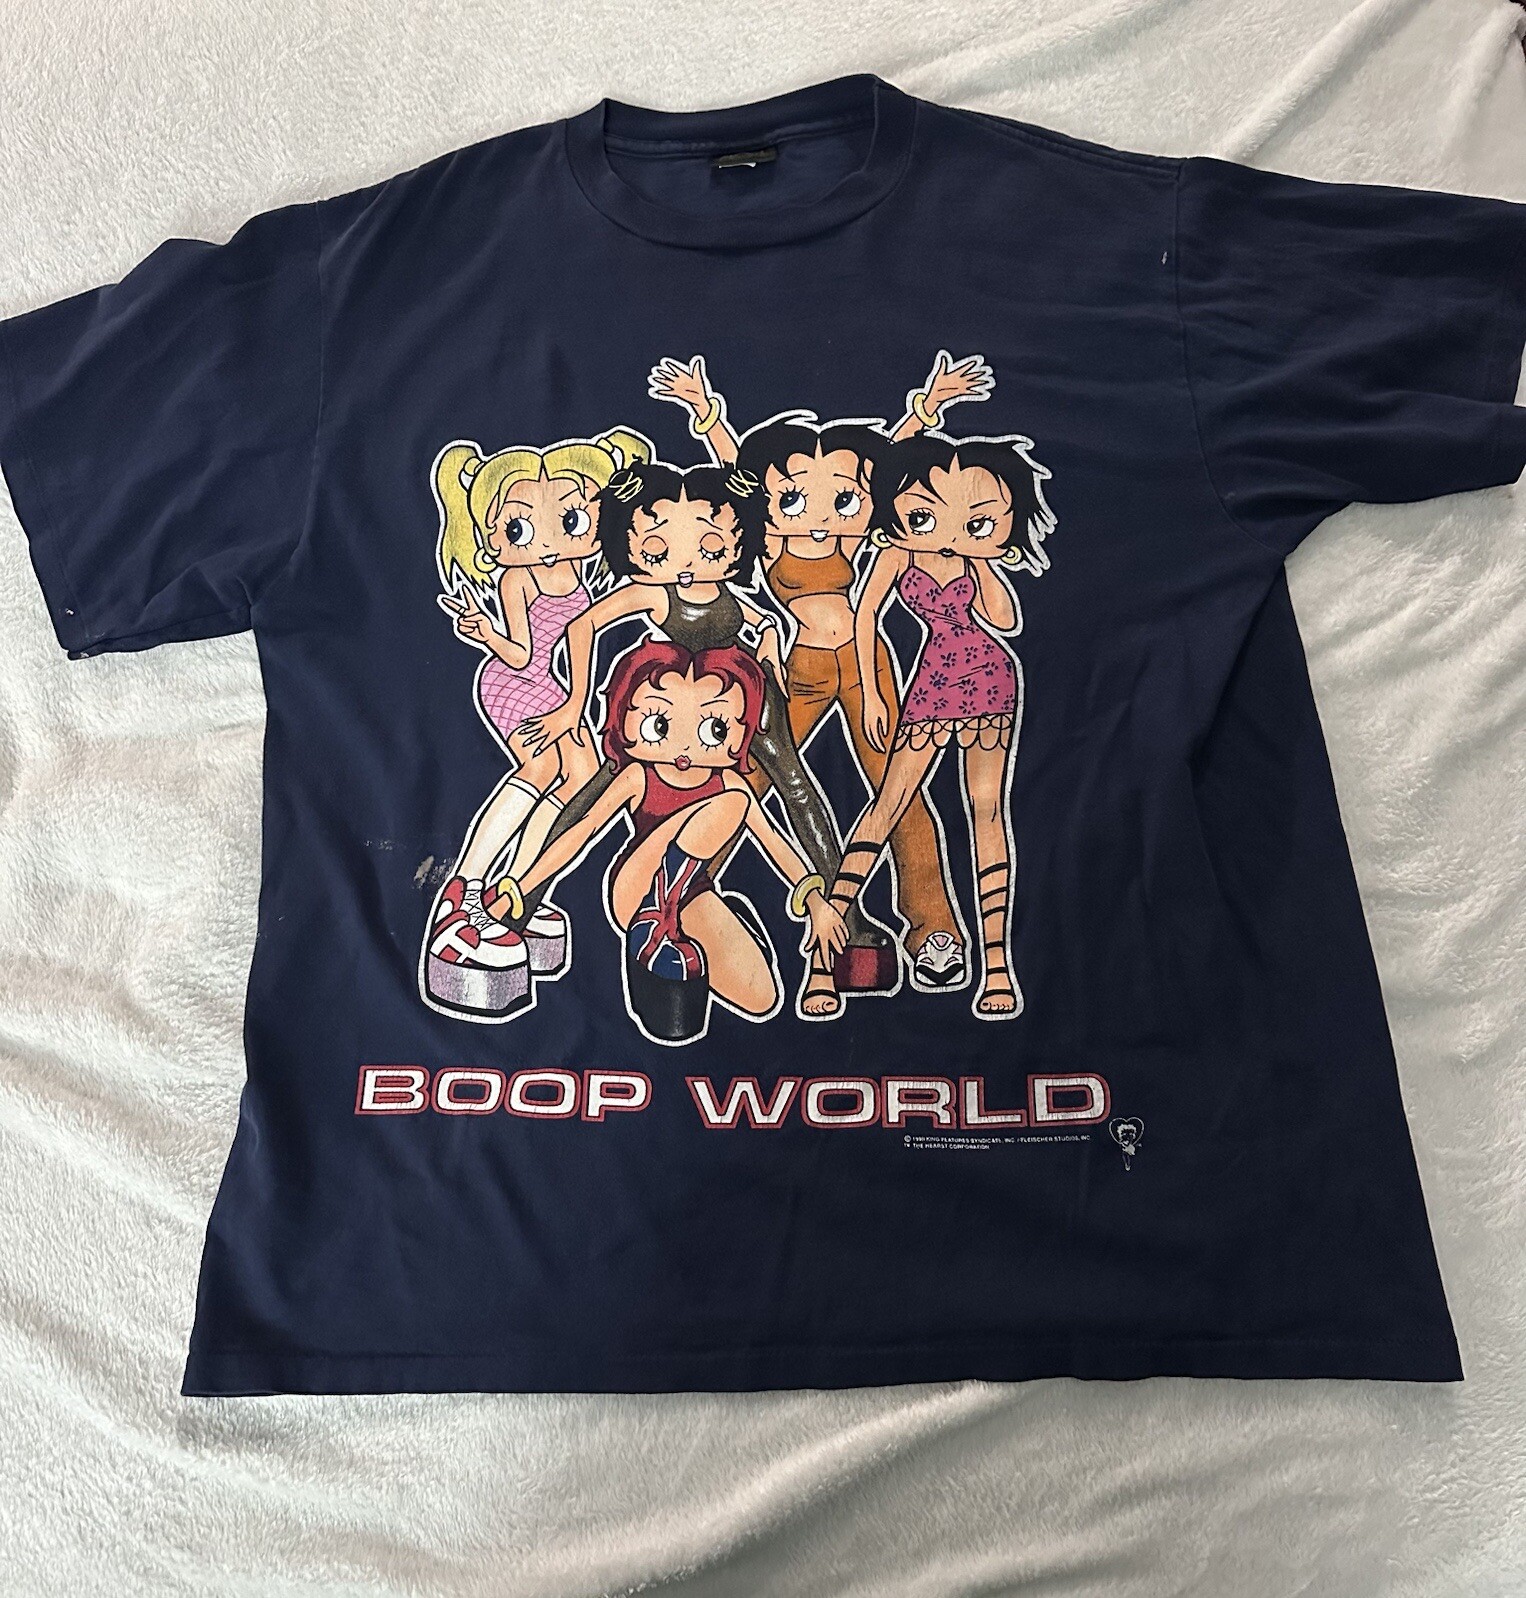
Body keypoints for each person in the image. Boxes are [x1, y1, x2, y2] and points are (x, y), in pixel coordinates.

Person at [647, 349, 991, 989]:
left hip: (865, 663)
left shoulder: (859, 535)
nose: (820, 516)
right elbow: (739, 473)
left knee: (899, 787)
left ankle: (933, 926)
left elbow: (888, 464)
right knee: (748, 778)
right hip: (794, 667)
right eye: (796, 498)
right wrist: (704, 411)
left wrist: (929, 407)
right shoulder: (767, 538)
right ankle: (680, 894)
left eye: (844, 498)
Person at [516, 459, 898, 991]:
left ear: (739, 543)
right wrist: (575, 703)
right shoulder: (656, 594)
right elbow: (584, 626)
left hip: (740, 702)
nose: (688, 564)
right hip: (674, 713)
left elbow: (763, 620)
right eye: (658, 551)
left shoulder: (723, 595)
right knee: (601, 791)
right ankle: (524, 899)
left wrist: (770, 644)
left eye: (711, 548)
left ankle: (847, 918)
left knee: (799, 790)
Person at [802, 431, 1056, 1020]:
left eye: (979, 519)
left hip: (989, 679)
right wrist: (871, 693)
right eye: (924, 515)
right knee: (887, 805)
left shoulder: (973, 562)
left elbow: (1004, 619)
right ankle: (822, 961)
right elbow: (865, 617)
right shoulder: (898, 554)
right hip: (932, 681)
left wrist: (981, 558)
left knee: (986, 811)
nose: (947, 532)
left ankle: (997, 966)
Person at [498, 640, 847, 1042]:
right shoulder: (640, 776)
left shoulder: (727, 779)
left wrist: (816, 903)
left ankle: (680, 924)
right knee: (732, 802)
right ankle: (653, 919)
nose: (684, 747)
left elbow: (774, 842)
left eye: (714, 729)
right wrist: (521, 887)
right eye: (660, 724)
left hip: (691, 892)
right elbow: (583, 830)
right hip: (636, 888)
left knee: (761, 999)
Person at [420, 429, 649, 1019]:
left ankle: (515, 890)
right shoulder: (516, 579)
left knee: (585, 778)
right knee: (545, 767)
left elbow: (576, 646)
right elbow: (520, 654)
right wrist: (484, 631)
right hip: (512, 682)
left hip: (556, 688)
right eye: (520, 528)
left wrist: (574, 703)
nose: (547, 544)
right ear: (492, 536)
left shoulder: (583, 576)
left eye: (570, 521)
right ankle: (464, 890)